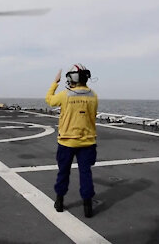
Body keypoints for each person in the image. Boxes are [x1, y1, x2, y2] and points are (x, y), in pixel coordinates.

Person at [45, 64, 98, 218]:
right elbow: (92, 116)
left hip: (67, 142)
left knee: (63, 173)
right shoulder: (93, 95)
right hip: (87, 143)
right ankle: (88, 206)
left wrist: (55, 82)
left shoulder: (65, 95)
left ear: (71, 78)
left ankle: (59, 201)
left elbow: (49, 100)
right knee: (86, 173)